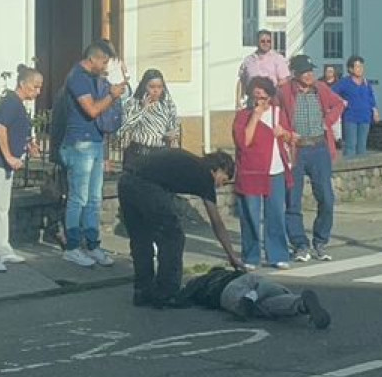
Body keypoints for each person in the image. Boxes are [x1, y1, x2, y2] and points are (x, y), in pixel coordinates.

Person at [117, 148, 244, 307]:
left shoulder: (192, 161)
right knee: (173, 237)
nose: (220, 186)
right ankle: (167, 293)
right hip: (147, 186)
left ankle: (143, 290)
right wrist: (231, 255)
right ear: (218, 170)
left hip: (126, 181)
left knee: (141, 239)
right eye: (223, 180)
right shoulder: (204, 175)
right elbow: (216, 222)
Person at [59, 41, 126, 268]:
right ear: (94, 59)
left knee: (94, 199)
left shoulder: (95, 78)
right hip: (80, 143)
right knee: (79, 197)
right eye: (104, 62)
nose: (105, 67)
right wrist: (112, 96)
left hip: (95, 142)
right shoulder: (77, 77)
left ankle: (93, 244)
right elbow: (92, 109)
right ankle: (72, 247)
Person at [0, 64, 43, 272]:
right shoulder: (10, 103)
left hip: (3, 163)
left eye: (40, 87)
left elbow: (15, 130)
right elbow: (0, 128)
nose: (38, 91)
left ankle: (2, 248)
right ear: (23, 84)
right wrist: (9, 156)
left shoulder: (19, 105)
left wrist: (28, 144)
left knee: (2, 208)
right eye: (35, 86)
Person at [278, 54, 345, 263]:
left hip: (319, 147)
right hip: (296, 149)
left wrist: (328, 121)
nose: (309, 75)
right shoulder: (285, 91)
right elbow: (275, 112)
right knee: (292, 199)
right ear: (295, 74)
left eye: (310, 71)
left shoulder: (320, 89)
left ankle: (320, 241)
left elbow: (339, 104)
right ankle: (299, 244)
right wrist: (285, 134)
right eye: (305, 72)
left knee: (326, 197)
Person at [233, 77, 295, 270]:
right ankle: (251, 256)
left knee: (275, 213)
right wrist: (256, 116)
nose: (260, 100)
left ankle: (277, 254)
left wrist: (284, 133)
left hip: (275, 170)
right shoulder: (243, 116)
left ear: (270, 97)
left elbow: (293, 137)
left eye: (264, 96)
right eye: (256, 95)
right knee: (250, 214)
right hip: (251, 170)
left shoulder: (278, 113)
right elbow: (244, 141)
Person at [175, 266, 332, 329]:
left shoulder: (204, 280)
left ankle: (249, 299)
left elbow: (185, 295)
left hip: (229, 288)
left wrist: (176, 299)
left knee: (249, 304)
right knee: (269, 305)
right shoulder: (232, 272)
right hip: (255, 281)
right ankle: (302, 303)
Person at [119, 68, 180, 172]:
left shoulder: (167, 104)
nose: (155, 91)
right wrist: (143, 109)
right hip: (138, 154)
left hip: (160, 154)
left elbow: (174, 126)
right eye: (152, 87)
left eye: (159, 87)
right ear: (144, 86)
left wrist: (172, 135)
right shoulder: (133, 103)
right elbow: (124, 127)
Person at [331, 55, 379, 158]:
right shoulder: (345, 82)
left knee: (362, 146)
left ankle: (361, 171)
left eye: (361, 66)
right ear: (350, 69)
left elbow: (371, 97)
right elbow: (332, 93)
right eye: (357, 67)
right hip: (351, 118)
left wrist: (375, 111)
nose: (360, 69)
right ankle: (348, 169)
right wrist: (341, 101)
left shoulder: (365, 83)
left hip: (365, 117)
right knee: (350, 145)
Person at [236, 30, 290, 108]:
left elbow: (284, 81)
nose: (266, 43)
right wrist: (238, 102)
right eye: (262, 41)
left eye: (268, 41)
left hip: (270, 102)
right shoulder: (248, 60)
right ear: (257, 42)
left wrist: (269, 92)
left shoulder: (278, 59)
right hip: (252, 102)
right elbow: (241, 81)